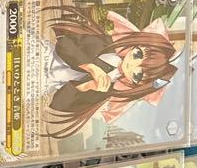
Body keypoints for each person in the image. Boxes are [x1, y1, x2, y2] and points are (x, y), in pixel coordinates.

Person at [44, 8, 180, 139]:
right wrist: (90, 67)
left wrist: (87, 86)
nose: (131, 65)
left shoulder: (106, 90)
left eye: (137, 75)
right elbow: (65, 43)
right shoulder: (107, 45)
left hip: (43, 84)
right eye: (137, 54)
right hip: (45, 55)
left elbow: (59, 103)